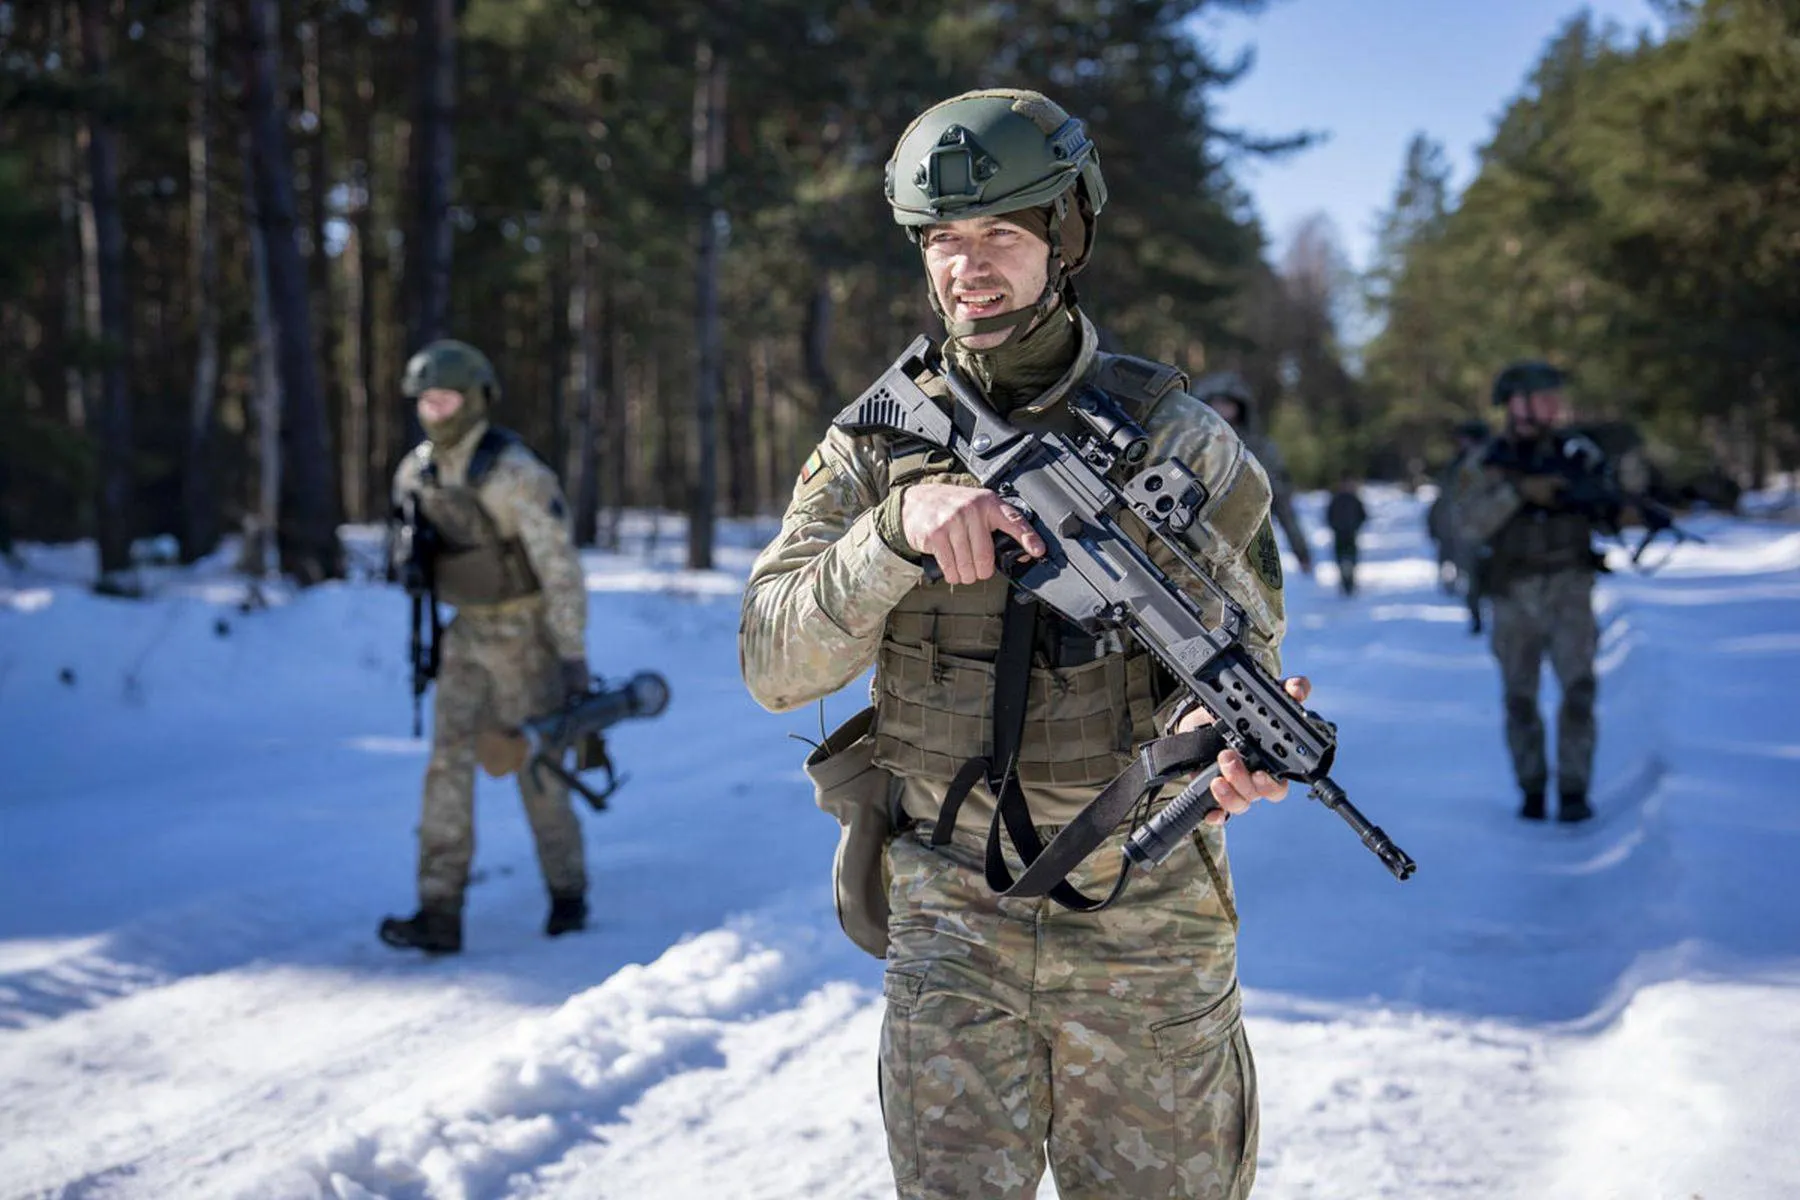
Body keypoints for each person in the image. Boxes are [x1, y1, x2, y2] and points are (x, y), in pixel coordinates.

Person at [741, 88, 1304, 1199]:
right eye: (944, 241)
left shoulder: (1182, 445)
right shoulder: (872, 448)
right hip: (952, 920)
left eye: (1000, 234)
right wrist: (896, 534)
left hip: (1146, 925)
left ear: (1066, 234)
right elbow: (773, 665)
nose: (968, 268)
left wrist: (1222, 751)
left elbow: (1246, 661)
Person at [379, 339, 593, 954]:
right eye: (426, 400)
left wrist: (572, 652)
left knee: (534, 762)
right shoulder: (416, 471)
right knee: (446, 765)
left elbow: (559, 567)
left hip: (525, 636)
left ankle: (568, 893)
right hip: (465, 634)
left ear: (475, 401)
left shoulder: (515, 474)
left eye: (446, 399)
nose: (435, 411)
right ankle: (438, 908)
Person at [1456, 360, 1606, 824]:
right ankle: (1533, 788)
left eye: (1553, 397)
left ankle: (1575, 791)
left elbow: (1612, 502)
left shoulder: (1580, 454)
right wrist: (1519, 493)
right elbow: (1466, 523)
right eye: (1543, 398)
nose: (1553, 406)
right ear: (1515, 405)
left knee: (1578, 692)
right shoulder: (1487, 463)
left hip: (1570, 590)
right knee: (1520, 699)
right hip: (1513, 595)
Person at [1194, 371, 1316, 577]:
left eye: (1227, 403)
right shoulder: (1190, 444)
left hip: (1241, 548)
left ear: (1240, 407)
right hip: (1188, 540)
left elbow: (1282, 503)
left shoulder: (1259, 449)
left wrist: (1301, 551)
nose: (1221, 410)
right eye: (1215, 403)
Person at [1428, 419, 1493, 632]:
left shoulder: (1494, 460)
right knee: (1470, 577)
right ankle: (1476, 616)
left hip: (1494, 531)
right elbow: (1446, 500)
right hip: (1465, 532)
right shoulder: (1457, 466)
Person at [1325, 475, 1368, 596]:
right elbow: (1329, 516)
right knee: (1341, 560)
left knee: (1351, 560)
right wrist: (1335, 527)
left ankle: (1351, 582)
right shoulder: (1335, 499)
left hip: (1351, 534)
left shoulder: (1355, 499)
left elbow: (1363, 515)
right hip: (1339, 535)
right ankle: (1344, 582)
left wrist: (1356, 526)